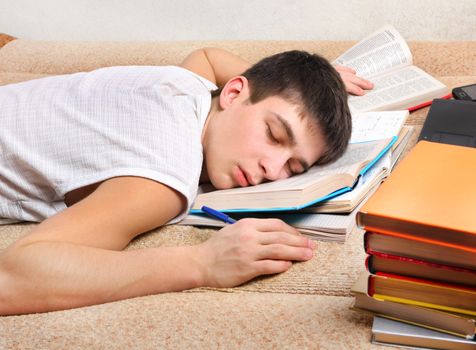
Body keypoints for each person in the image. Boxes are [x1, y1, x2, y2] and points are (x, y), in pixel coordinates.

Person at [0, 47, 372, 315]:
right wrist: (202, 263)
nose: (272, 169)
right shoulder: (163, 176)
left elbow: (210, 56)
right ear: (233, 92)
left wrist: (316, 88)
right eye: (274, 134)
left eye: (293, 167)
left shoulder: (191, 84)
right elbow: (14, 277)